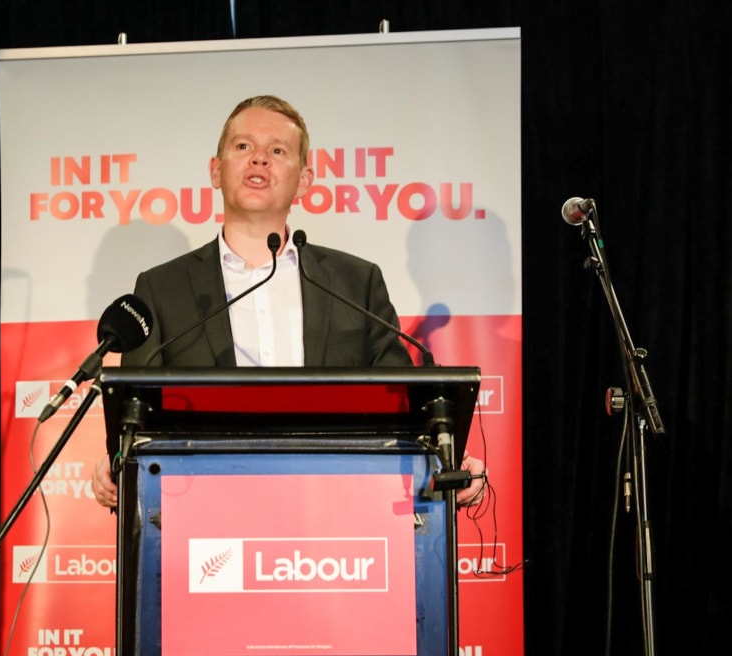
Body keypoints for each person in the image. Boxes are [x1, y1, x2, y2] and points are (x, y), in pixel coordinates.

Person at [90, 95, 485, 506]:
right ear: (215, 170)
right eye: (243, 147)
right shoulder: (161, 288)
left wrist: (446, 459)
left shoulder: (354, 283)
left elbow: (402, 408)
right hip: (203, 511)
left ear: (305, 179)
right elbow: (137, 418)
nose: (259, 160)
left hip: (334, 513)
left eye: (277, 151)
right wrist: (119, 462)